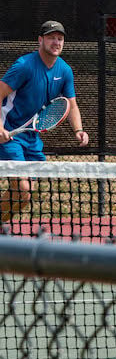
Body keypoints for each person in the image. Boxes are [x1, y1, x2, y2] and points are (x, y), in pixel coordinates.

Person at [0, 21, 89, 223]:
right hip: (9, 136)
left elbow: (72, 105)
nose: (56, 42)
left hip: (32, 139)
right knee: (22, 189)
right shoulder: (24, 66)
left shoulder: (65, 70)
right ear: (40, 40)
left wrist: (79, 130)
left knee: (24, 196)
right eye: (51, 37)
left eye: (60, 38)